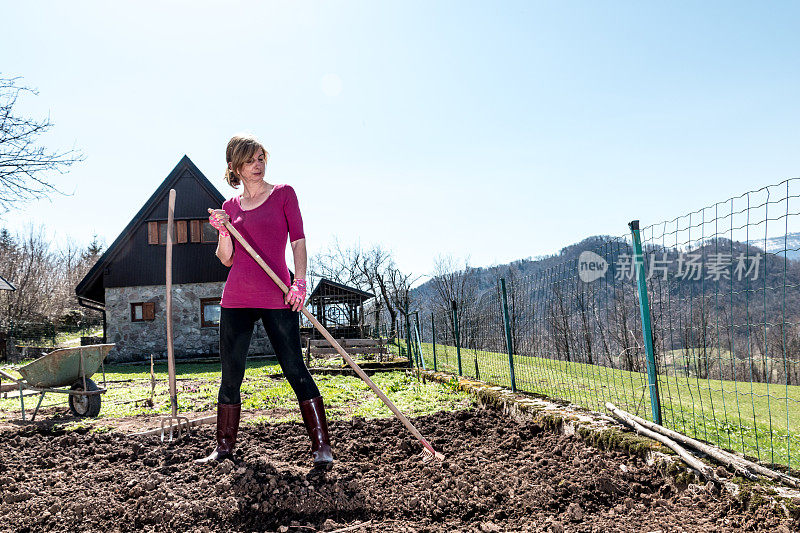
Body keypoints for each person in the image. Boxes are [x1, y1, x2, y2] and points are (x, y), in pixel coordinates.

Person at [196, 133, 333, 467]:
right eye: (249, 160)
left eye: (261, 158)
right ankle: (224, 447)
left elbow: (298, 241)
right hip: (237, 298)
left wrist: (299, 283)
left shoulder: (284, 195)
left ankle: (321, 447)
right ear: (235, 167)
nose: (257, 165)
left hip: (277, 295)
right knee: (231, 375)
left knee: (294, 368)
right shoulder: (229, 207)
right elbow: (227, 259)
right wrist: (223, 231)